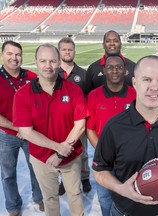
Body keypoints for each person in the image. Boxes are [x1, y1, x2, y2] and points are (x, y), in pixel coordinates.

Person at [92, 55, 158, 216]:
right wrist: (120, 188)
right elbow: (100, 170)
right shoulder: (114, 126)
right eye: (147, 80)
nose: (154, 87)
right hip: (125, 211)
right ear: (135, 83)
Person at [13, 43, 86, 216]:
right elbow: (26, 131)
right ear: (36, 62)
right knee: (50, 198)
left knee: (75, 193)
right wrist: (57, 148)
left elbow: (80, 124)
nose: (48, 66)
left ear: (59, 62)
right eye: (43, 61)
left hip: (70, 155)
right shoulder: (23, 94)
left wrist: (62, 152)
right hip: (41, 158)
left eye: (52, 61)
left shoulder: (74, 90)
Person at [86, 54, 136, 216]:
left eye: (119, 67)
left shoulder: (135, 95)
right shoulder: (94, 95)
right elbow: (90, 129)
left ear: (125, 70)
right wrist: (104, 152)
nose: (114, 70)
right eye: (110, 67)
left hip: (129, 159)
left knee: (130, 197)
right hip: (103, 159)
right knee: (105, 198)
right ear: (104, 71)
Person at [0, 40, 44, 216]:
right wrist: (17, 127)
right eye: (10, 54)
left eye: (17, 54)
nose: (14, 58)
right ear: (3, 55)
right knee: (8, 174)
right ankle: (12, 206)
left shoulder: (32, 77)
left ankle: (39, 198)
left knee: (36, 169)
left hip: (31, 133)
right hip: (7, 134)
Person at [57, 37, 91, 195]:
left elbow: (89, 98)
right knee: (62, 151)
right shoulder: (53, 73)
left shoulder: (83, 74)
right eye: (64, 49)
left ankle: (84, 177)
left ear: (74, 52)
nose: (67, 52)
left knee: (82, 152)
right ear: (59, 52)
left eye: (70, 49)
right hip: (60, 122)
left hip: (79, 123)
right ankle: (64, 179)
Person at [84, 30, 135, 95]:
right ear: (103, 45)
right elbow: (87, 95)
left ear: (121, 45)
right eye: (108, 41)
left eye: (115, 41)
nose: (112, 43)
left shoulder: (133, 67)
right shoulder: (93, 68)